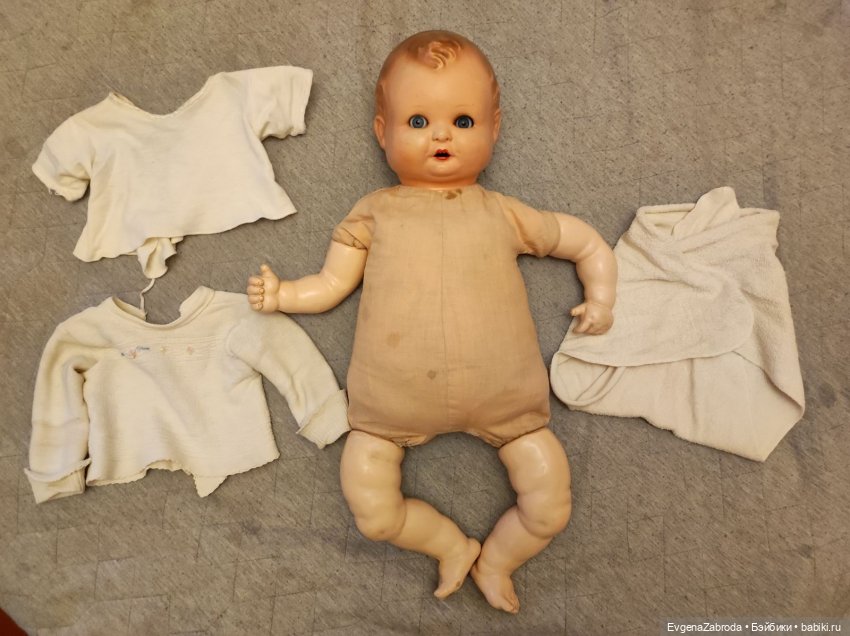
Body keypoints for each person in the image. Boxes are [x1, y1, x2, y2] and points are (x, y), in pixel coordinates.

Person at [247, 30, 617, 613]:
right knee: (373, 514)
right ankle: (450, 544)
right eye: (417, 121)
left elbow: (586, 243)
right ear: (382, 132)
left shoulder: (503, 213)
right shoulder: (373, 213)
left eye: (463, 121)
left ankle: (498, 560)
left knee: (550, 508)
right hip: (387, 410)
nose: (441, 135)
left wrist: (601, 297)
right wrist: (285, 295)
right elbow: (332, 284)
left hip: (509, 404)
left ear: (495, 128)